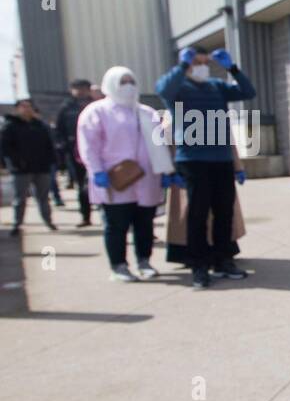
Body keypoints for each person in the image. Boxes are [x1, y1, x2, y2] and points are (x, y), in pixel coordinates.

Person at [155, 45, 255, 289]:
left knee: (224, 212)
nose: (201, 67)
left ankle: (223, 261)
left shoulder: (217, 87)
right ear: (188, 64)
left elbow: (247, 91)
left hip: (221, 159)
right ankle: (199, 265)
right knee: (197, 214)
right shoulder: (179, 88)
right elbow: (162, 89)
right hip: (193, 160)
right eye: (196, 62)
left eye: (204, 63)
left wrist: (232, 68)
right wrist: (181, 66)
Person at [78, 67, 168, 281]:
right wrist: (97, 171)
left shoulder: (147, 112)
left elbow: (160, 144)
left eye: (131, 81)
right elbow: (89, 146)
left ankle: (144, 261)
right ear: (110, 84)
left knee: (145, 224)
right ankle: (118, 266)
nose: (128, 85)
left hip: (147, 179)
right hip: (115, 179)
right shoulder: (96, 111)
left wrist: (166, 170)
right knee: (117, 225)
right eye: (122, 81)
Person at [2, 98, 59, 235]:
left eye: (29, 106)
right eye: (23, 106)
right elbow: (6, 148)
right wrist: (15, 163)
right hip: (21, 170)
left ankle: (48, 221)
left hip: (41, 167)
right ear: (17, 109)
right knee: (20, 198)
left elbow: (49, 145)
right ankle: (17, 224)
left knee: (43, 197)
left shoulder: (40, 125)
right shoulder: (10, 126)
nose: (27, 109)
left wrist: (51, 161)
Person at [54, 78, 95, 227]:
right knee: (82, 186)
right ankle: (86, 216)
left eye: (83, 88)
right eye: (77, 88)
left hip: (97, 151)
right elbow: (58, 131)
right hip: (75, 153)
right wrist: (64, 147)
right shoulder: (66, 108)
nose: (80, 91)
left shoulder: (96, 105)